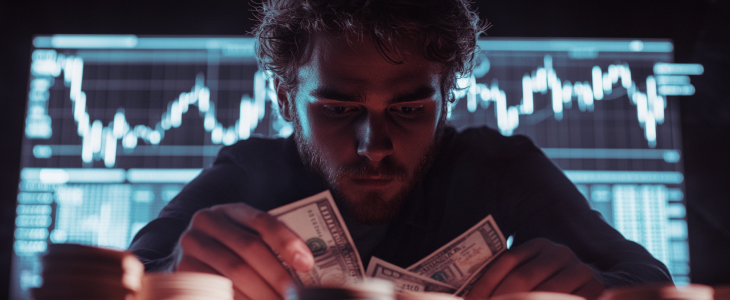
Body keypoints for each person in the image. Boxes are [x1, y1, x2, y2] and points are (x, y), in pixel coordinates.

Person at [129, 0, 672, 299]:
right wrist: (174, 270)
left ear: (448, 96)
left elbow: (649, 281)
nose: (374, 146)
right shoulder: (251, 171)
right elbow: (125, 276)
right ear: (284, 96)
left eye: (410, 110)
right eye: (337, 109)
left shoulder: (502, 167)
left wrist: (596, 288)